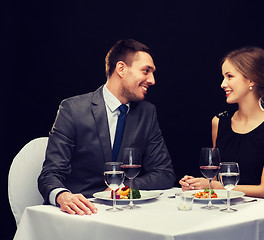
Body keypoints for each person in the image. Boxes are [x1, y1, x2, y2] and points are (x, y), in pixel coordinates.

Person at [38, 39, 176, 215]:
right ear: (121, 69)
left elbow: (164, 173)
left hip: (129, 213)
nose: (152, 80)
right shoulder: (72, 109)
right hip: (82, 213)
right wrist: (63, 196)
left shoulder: (147, 113)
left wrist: (123, 188)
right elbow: (50, 174)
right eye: (146, 71)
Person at [180, 47, 264, 200]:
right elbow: (216, 179)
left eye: (229, 76)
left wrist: (213, 186)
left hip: (262, 210)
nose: (223, 84)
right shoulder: (219, 122)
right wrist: (197, 185)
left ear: (251, 79)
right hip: (226, 206)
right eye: (224, 77)